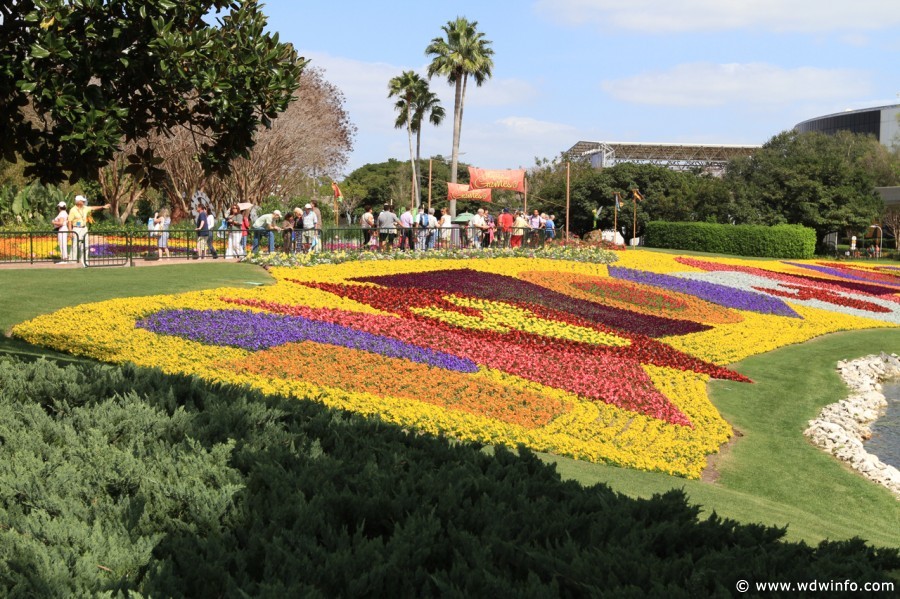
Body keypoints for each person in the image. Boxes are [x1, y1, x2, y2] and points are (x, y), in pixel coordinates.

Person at [67, 194, 111, 265]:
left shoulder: (85, 208)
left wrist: (103, 206)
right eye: (82, 201)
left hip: (84, 228)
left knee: (85, 245)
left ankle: (84, 261)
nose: (84, 202)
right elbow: (69, 221)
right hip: (76, 229)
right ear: (78, 202)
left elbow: (93, 208)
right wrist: (70, 232)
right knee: (75, 245)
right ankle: (72, 261)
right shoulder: (73, 210)